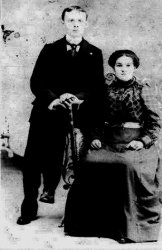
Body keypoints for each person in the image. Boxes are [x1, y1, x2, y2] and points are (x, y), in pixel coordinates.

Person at [64, 50, 162, 243]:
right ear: (113, 67)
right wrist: (94, 136)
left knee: (128, 166)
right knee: (90, 161)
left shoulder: (144, 89)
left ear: (135, 67)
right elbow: (94, 117)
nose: (123, 69)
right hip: (108, 140)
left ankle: (129, 227)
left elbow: (155, 123)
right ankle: (90, 224)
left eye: (128, 65)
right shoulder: (105, 88)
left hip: (135, 143)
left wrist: (142, 141)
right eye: (119, 65)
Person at [17, 5, 104, 225]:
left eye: (79, 21)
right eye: (70, 20)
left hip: (76, 114)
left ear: (85, 23)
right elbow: (37, 81)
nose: (75, 25)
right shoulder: (50, 49)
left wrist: (78, 97)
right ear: (63, 22)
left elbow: (96, 86)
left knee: (71, 160)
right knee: (32, 161)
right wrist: (54, 98)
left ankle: (71, 206)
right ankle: (29, 207)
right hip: (47, 111)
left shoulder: (94, 53)